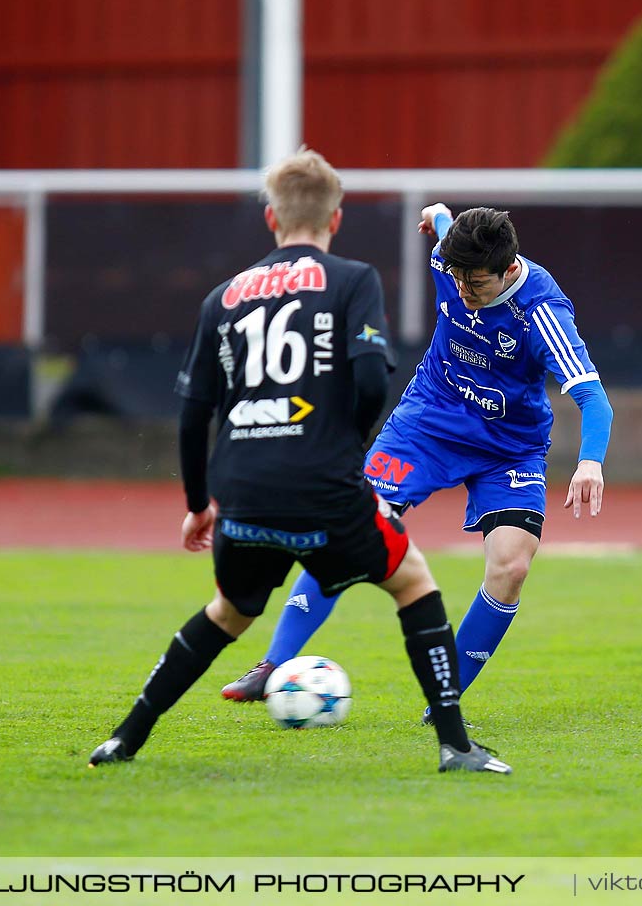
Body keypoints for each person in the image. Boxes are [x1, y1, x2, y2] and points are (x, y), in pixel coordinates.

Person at [87, 150, 509, 774]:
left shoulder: (221, 298)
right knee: (414, 582)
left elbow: (191, 412)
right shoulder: (352, 279)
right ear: (334, 220)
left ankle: (125, 738)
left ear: (270, 218)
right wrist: (341, 445)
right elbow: (370, 382)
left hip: (243, 489)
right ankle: (455, 746)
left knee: (226, 614)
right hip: (322, 486)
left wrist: (198, 505)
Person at [218, 202, 614, 714]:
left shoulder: (542, 312)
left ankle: (444, 697)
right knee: (348, 528)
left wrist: (590, 462)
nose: (465, 294)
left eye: (477, 285)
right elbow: (447, 226)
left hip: (509, 447)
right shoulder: (451, 256)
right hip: (427, 422)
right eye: (458, 280)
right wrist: (440, 215)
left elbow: (593, 397)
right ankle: (272, 665)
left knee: (512, 567)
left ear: (510, 270)